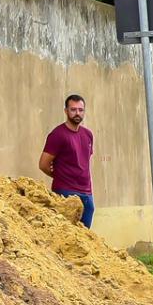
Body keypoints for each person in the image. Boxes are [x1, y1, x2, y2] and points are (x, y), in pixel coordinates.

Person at [39, 94, 94, 227]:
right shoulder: (57, 135)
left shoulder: (88, 135)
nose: (77, 113)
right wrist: (60, 176)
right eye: (73, 109)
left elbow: (85, 162)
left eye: (80, 110)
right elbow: (43, 164)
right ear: (66, 111)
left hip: (87, 193)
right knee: (67, 236)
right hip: (65, 193)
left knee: (86, 238)